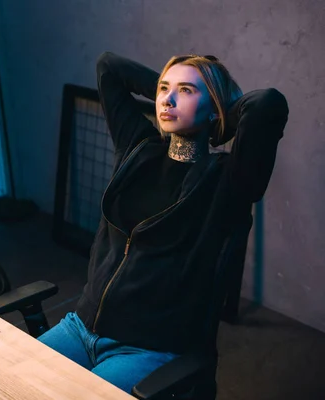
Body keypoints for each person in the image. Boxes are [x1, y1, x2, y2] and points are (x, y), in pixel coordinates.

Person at [38, 52, 289, 394]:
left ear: (215, 106)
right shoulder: (138, 149)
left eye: (185, 91)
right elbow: (108, 67)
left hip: (147, 348)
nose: (167, 100)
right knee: (4, 380)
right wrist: (177, 91)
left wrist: (220, 114)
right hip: (80, 327)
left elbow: (268, 103)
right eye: (163, 89)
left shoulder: (226, 180)